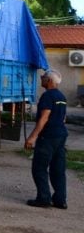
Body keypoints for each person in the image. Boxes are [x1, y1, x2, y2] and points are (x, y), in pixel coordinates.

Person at [25, 68, 68, 209]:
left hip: (48, 137)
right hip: (61, 136)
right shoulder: (62, 97)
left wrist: (32, 137)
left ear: (49, 81)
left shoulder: (48, 96)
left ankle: (43, 198)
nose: (41, 78)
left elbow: (44, 118)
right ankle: (60, 200)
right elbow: (63, 118)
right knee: (58, 169)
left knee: (39, 168)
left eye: (43, 77)